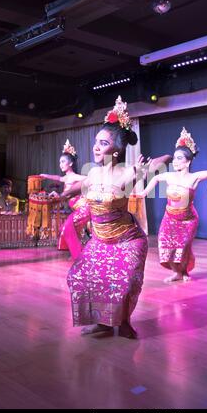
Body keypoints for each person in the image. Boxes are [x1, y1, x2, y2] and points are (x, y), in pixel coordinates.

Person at [67, 96, 149, 339]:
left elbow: (159, 163)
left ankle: (123, 322)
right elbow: (76, 188)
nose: (96, 147)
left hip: (127, 240)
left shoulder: (127, 173)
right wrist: (57, 195)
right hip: (100, 240)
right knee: (80, 277)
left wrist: (154, 165)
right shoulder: (92, 172)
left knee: (123, 283)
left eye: (103, 143)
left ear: (117, 148)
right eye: (96, 142)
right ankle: (102, 323)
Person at [137, 127, 207, 283]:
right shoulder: (168, 176)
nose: (175, 161)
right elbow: (155, 179)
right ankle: (177, 273)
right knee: (165, 246)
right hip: (169, 218)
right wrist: (144, 193)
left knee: (182, 249)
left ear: (188, 161)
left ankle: (184, 272)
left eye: (179, 158)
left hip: (188, 220)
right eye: (174, 158)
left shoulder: (193, 178)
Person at [40, 140, 88, 258]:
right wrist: (45, 176)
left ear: (70, 163)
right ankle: (79, 253)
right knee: (65, 229)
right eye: (59, 162)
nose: (60, 164)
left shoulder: (74, 177)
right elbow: (58, 178)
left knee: (67, 228)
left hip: (84, 208)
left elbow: (89, 179)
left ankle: (79, 255)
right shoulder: (67, 178)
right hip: (77, 210)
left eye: (63, 161)